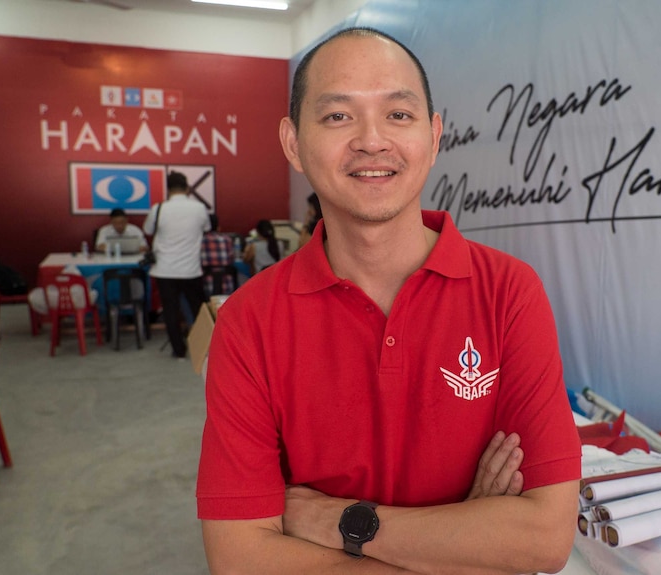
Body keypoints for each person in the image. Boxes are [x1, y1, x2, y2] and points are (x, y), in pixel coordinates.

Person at [197, 27, 581, 575]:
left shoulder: (509, 292)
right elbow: (240, 559)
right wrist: (464, 542)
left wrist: (339, 522)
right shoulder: (248, 321)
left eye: (398, 115)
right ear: (292, 143)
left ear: (434, 135)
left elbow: (543, 538)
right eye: (337, 116)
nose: (372, 141)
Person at [143, 171, 210, 358]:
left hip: (165, 270)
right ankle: (204, 349)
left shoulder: (159, 208)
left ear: (169, 189)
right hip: (191, 269)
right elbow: (206, 228)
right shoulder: (199, 208)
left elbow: (147, 229)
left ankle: (178, 351)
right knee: (199, 311)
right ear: (187, 188)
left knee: (171, 312)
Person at [201, 214, 236, 296]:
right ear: (218, 226)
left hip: (207, 283)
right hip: (226, 282)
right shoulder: (227, 239)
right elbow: (231, 259)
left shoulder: (200, 241)